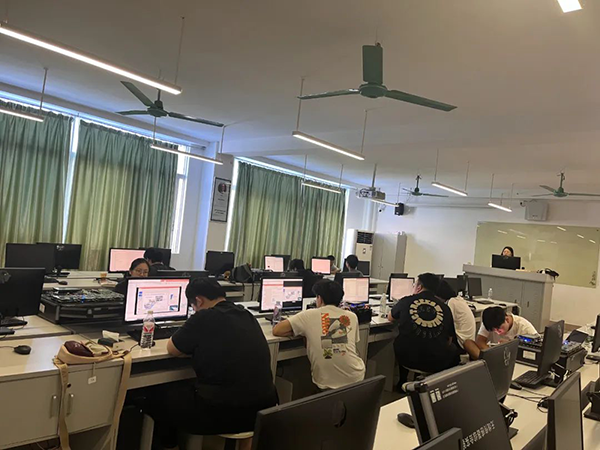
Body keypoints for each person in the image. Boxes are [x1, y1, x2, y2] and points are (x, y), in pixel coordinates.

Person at [146, 279, 277, 450]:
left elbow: (172, 349)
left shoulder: (204, 316)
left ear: (198, 301)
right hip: (262, 409)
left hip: (223, 413)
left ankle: (169, 445)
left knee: (155, 396)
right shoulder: (246, 315)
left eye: (193, 306)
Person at [273, 279, 365, 390]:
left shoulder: (308, 315)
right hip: (356, 377)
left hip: (327, 383)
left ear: (319, 299)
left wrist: (302, 331)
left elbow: (277, 330)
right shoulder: (352, 316)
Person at [387, 273, 460, 382]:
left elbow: (390, 318)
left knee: (407, 339)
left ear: (419, 287)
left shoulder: (406, 301)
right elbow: (449, 339)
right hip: (436, 360)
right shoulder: (445, 308)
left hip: (407, 357)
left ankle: (402, 381)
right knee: (451, 349)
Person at [436, 280, 476, 351]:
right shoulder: (458, 299)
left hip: (461, 343)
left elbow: (447, 325)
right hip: (469, 340)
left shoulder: (451, 303)